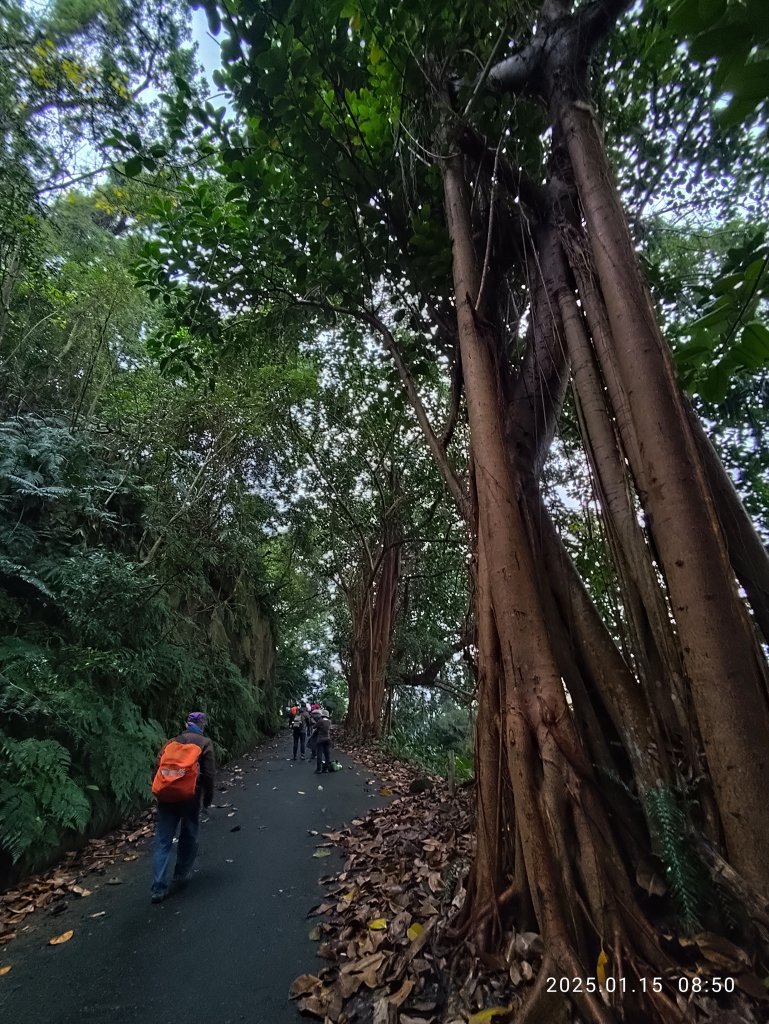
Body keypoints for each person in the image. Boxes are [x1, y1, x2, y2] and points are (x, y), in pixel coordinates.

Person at [150, 711, 215, 904]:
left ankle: (158, 888)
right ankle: (180, 874)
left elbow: (157, 767)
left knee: (162, 841)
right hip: (190, 797)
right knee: (189, 834)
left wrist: (161, 791)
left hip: (167, 797)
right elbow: (209, 775)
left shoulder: (171, 742)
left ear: (186, 723)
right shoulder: (205, 743)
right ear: (202, 724)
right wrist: (207, 799)